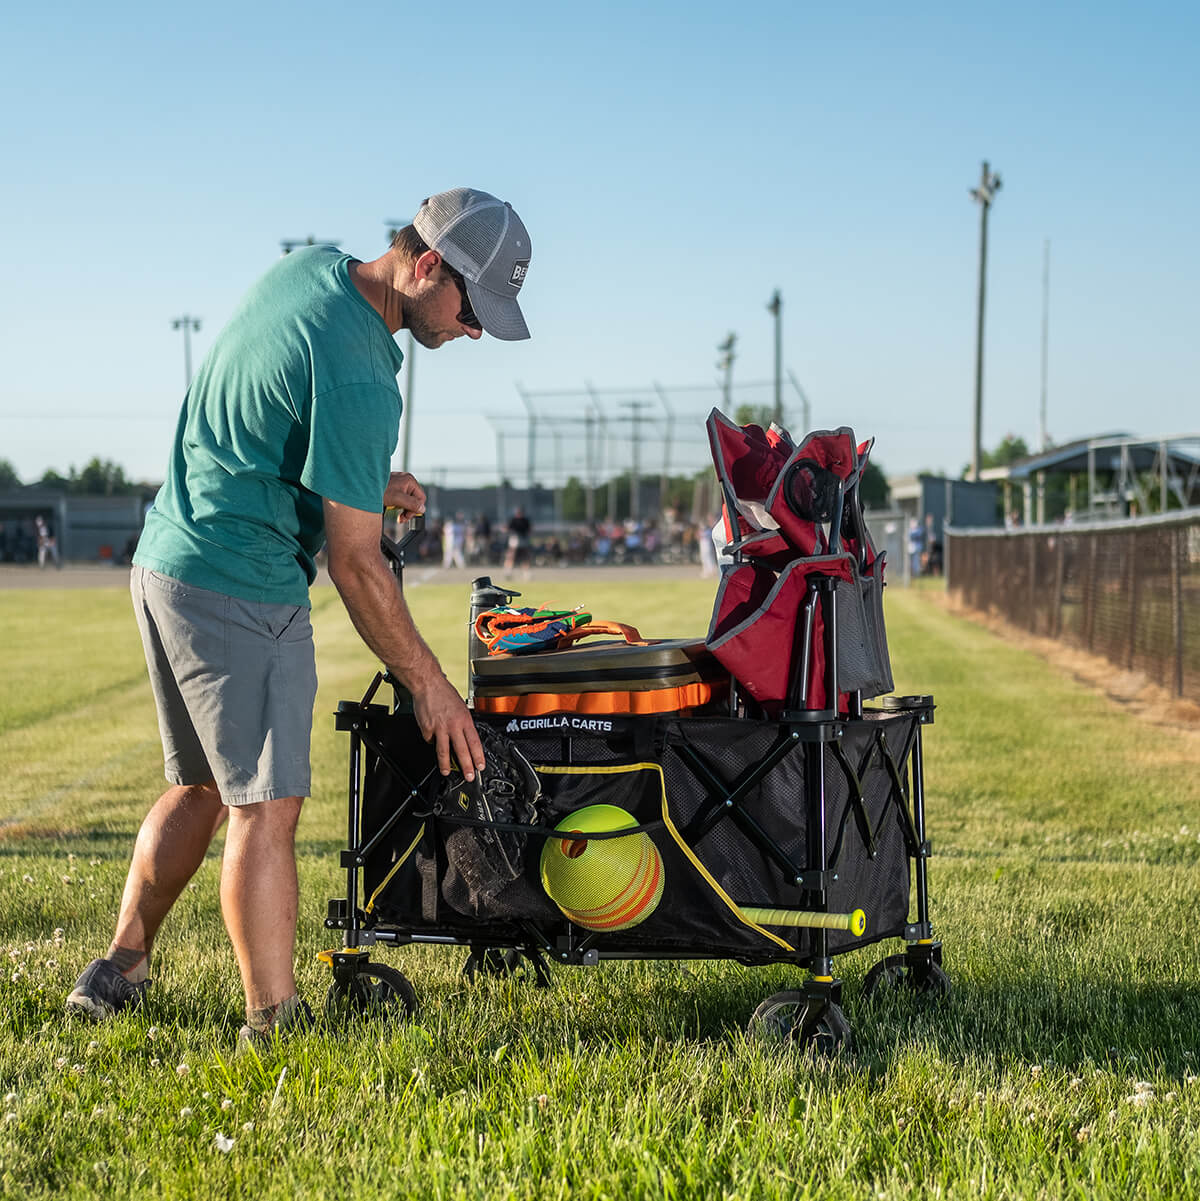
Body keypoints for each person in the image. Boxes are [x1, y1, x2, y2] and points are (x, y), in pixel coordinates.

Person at [64, 187, 534, 1050]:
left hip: (167, 560)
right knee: (267, 808)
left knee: (205, 786)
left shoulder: (308, 271)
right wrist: (431, 686)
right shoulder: (364, 373)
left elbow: (268, 416)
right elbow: (357, 566)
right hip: (240, 586)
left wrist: (363, 484)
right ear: (427, 263)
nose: (474, 331)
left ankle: (118, 968)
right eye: (473, 307)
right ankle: (273, 1023)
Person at [504, 506, 532, 571]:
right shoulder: (513, 520)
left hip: (523, 539)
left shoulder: (525, 520)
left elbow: (529, 530)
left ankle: (526, 571)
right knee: (511, 555)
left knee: (525, 556)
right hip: (515, 539)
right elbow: (507, 528)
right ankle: (508, 570)